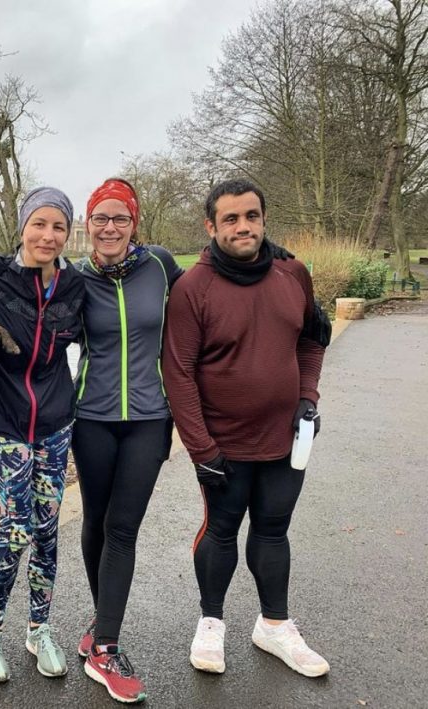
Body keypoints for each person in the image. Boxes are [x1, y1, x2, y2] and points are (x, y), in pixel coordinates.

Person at [162, 178, 332, 678]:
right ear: (211, 226)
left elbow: (312, 341)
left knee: (274, 530)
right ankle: (211, 622)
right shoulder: (193, 287)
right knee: (221, 530)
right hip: (222, 444)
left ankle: (274, 626)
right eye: (231, 219)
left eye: (251, 216)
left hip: (285, 438)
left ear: (263, 219)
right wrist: (201, 447)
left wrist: (308, 398)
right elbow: (179, 371)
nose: (243, 227)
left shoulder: (292, 272)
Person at [0, 187, 85, 684]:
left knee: (48, 532)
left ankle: (39, 627)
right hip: (9, 427)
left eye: (58, 226)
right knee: (15, 530)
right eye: (39, 224)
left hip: (56, 429)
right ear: (22, 227)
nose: (48, 235)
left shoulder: (75, 286)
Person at [72, 178, 183, 704]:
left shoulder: (160, 265)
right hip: (90, 418)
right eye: (100, 218)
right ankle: (102, 625)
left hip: (149, 418)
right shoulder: (74, 278)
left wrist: (280, 266)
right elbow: (33, 318)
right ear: (88, 226)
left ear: (134, 223)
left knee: (122, 527)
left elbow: (214, 288)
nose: (110, 227)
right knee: (95, 521)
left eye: (120, 218)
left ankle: (105, 644)